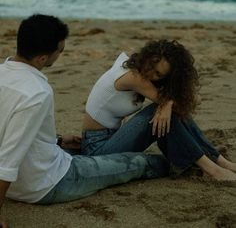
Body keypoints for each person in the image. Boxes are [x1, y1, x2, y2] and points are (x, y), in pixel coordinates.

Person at [0, 15, 170, 228]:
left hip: (27, 174)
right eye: (60, 50)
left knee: (87, 152)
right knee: (140, 162)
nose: (60, 54)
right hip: (47, 183)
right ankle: (185, 164)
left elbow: (10, 128)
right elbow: (9, 157)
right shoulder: (37, 92)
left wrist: (59, 140)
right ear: (43, 58)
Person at [81, 39, 236, 181]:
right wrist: (166, 104)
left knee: (166, 111)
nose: (150, 72)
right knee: (160, 112)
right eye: (151, 65)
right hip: (97, 149)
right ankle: (213, 169)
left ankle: (220, 161)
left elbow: (194, 99)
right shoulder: (134, 77)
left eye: (158, 74)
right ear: (148, 56)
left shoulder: (131, 65)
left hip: (110, 138)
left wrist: (167, 104)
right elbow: (188, 101)